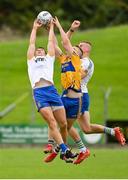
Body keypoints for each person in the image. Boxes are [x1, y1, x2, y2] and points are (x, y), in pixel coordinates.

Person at [27, 19, 76, 162]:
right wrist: (35, 28)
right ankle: (65, 149)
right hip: (39, 93)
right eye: (38, 51)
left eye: (41, 50)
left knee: (64, 124)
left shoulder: (49, 58)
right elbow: (31, 44)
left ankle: (62, 150)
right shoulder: (31, 60)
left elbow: (50, 43)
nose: (39, 51)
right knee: (52, 122)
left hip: (52, 91)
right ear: (35, 54)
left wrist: (52, 28)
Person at [44, 17, 90, 164]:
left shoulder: (76, 59)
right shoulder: (64, 59)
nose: (73, 48)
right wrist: (50, 29)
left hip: (76, 100)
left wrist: (59, 25)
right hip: (64, 97)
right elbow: (55, 44)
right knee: (60, 125)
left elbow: (65, 42)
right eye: (73, 47)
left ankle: (61, 150)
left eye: (76, 49)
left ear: (78, 54)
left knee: (67, 127)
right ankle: (60, 149)